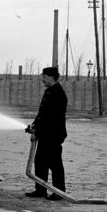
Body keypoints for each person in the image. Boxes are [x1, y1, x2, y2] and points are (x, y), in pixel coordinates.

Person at [25, 66, 68, 200]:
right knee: (40, 162)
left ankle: (59, 192)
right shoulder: (51, 91)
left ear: (50, 76)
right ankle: (40, 190)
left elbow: (51, 118)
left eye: (43, 76)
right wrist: (34, 126)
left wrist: (37, 132)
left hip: (53, 135)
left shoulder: (57, 93)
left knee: (55, 164)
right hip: (46, 134)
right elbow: (42, 115)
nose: (42, 79)